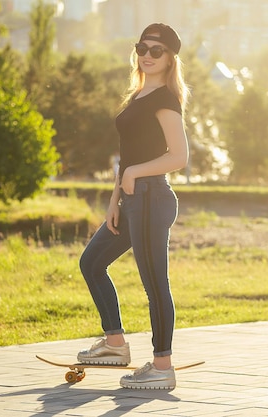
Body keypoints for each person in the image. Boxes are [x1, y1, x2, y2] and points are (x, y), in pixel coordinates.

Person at [77, 23, 189, 390]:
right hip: (132, 200)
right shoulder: (138, 96)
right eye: (143, 47)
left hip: (152, 198)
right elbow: (128, 158)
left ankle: (162, 366)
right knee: (92, 262)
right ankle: (114, 343)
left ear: (170, 57)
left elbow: (179, 157)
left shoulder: (165, 100)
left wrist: (136, 175)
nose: (147, 55)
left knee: (155, 283)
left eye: (156, 50)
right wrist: (115, 199)